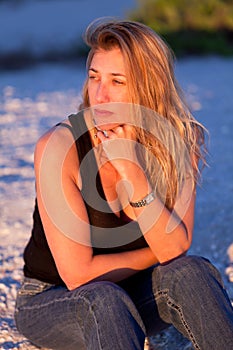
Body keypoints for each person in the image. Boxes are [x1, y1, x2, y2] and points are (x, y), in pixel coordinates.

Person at [14, 18, 233, 350]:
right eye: (94, 77)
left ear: (149, 86)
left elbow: (178, 253)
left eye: (117, 81)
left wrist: (134, 174)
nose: (100, 94)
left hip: (138, 291)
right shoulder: (60, 148)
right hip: (54, 300)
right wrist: (160, 249)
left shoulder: (182, 141)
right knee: (104, 298)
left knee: (192, 272)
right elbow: (78, 275)